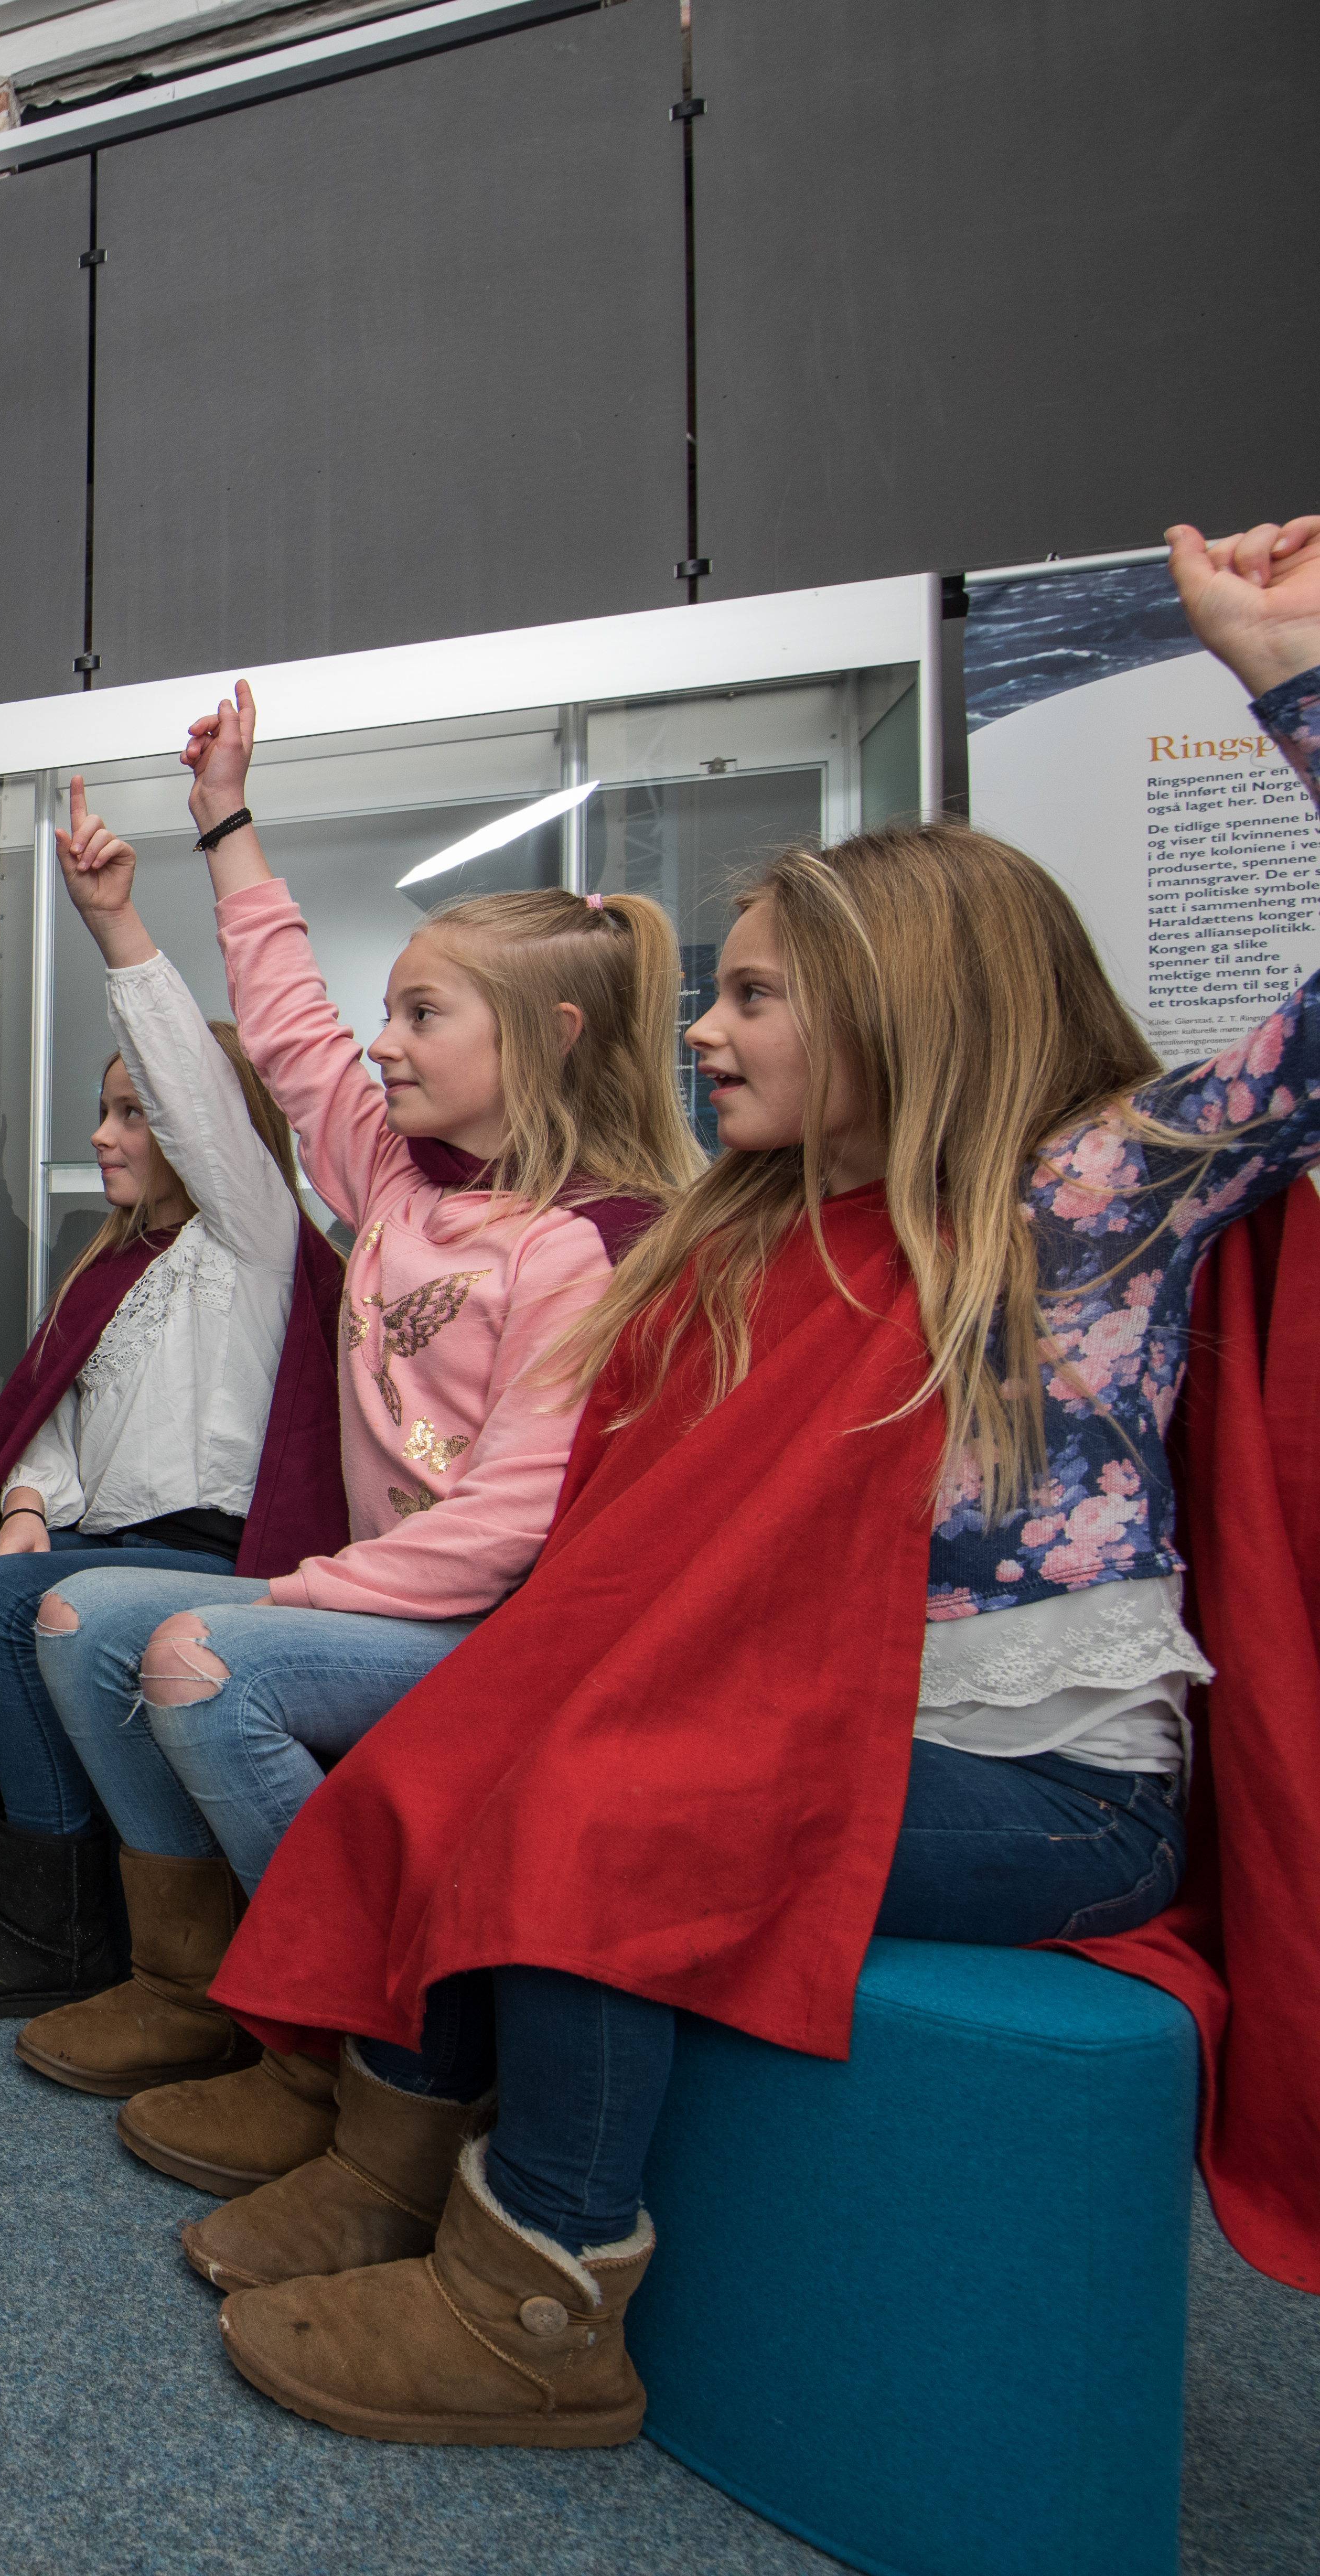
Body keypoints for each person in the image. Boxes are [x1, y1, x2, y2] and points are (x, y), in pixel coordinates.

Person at [189, 513, 1320, 2451]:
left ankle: (539, 2290)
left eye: (759, 995)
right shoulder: (767, 1227)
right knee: (486, 1737)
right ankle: (392, 2163)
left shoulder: (1088, 1192)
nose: (707, 1027)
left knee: (597, 1808)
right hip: (820, 1729)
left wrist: (1290, 682)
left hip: (1049, 1791)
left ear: (911, 1000)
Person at [18, 683, 693, 2164]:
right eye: (391, 1009)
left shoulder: (583, 1242)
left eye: (425, 1015)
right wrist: (222, 825)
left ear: (552, 1038)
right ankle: (204, 1984)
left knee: (199, 1662)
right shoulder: (401, 1179)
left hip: (494, 1628)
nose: (381, 1043)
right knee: (77, 1621)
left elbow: (514, 1524)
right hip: (387, 1600)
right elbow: (287, 1018)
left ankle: (345, 2046)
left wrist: (303, 1593)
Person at [0, 781, 350, 2016]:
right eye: (106, 1109)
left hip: (212, 1549)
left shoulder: (252, 1237)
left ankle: (59, 1908)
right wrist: (22, 1500)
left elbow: (199, 1092)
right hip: (97, 1534)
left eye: (135, 1111)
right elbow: (58, 1428)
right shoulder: (109, 1264)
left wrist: (115, 923)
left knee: (6, 1598)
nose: (108, 1133)